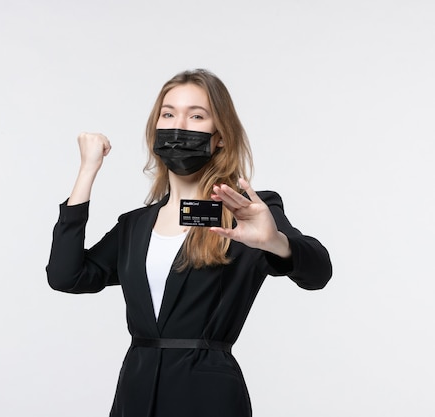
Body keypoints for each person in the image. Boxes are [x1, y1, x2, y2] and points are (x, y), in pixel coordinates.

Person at [46, 69, 332, 417]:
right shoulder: (136, 225)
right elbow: (65, 276)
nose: (178, 125)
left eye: (196, 115)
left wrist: (277, 242)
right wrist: (87, 171)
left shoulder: (245, 213)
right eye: (168, 114)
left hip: (206, 396)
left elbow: (318, 272)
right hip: (135, 395)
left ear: (220, 136)